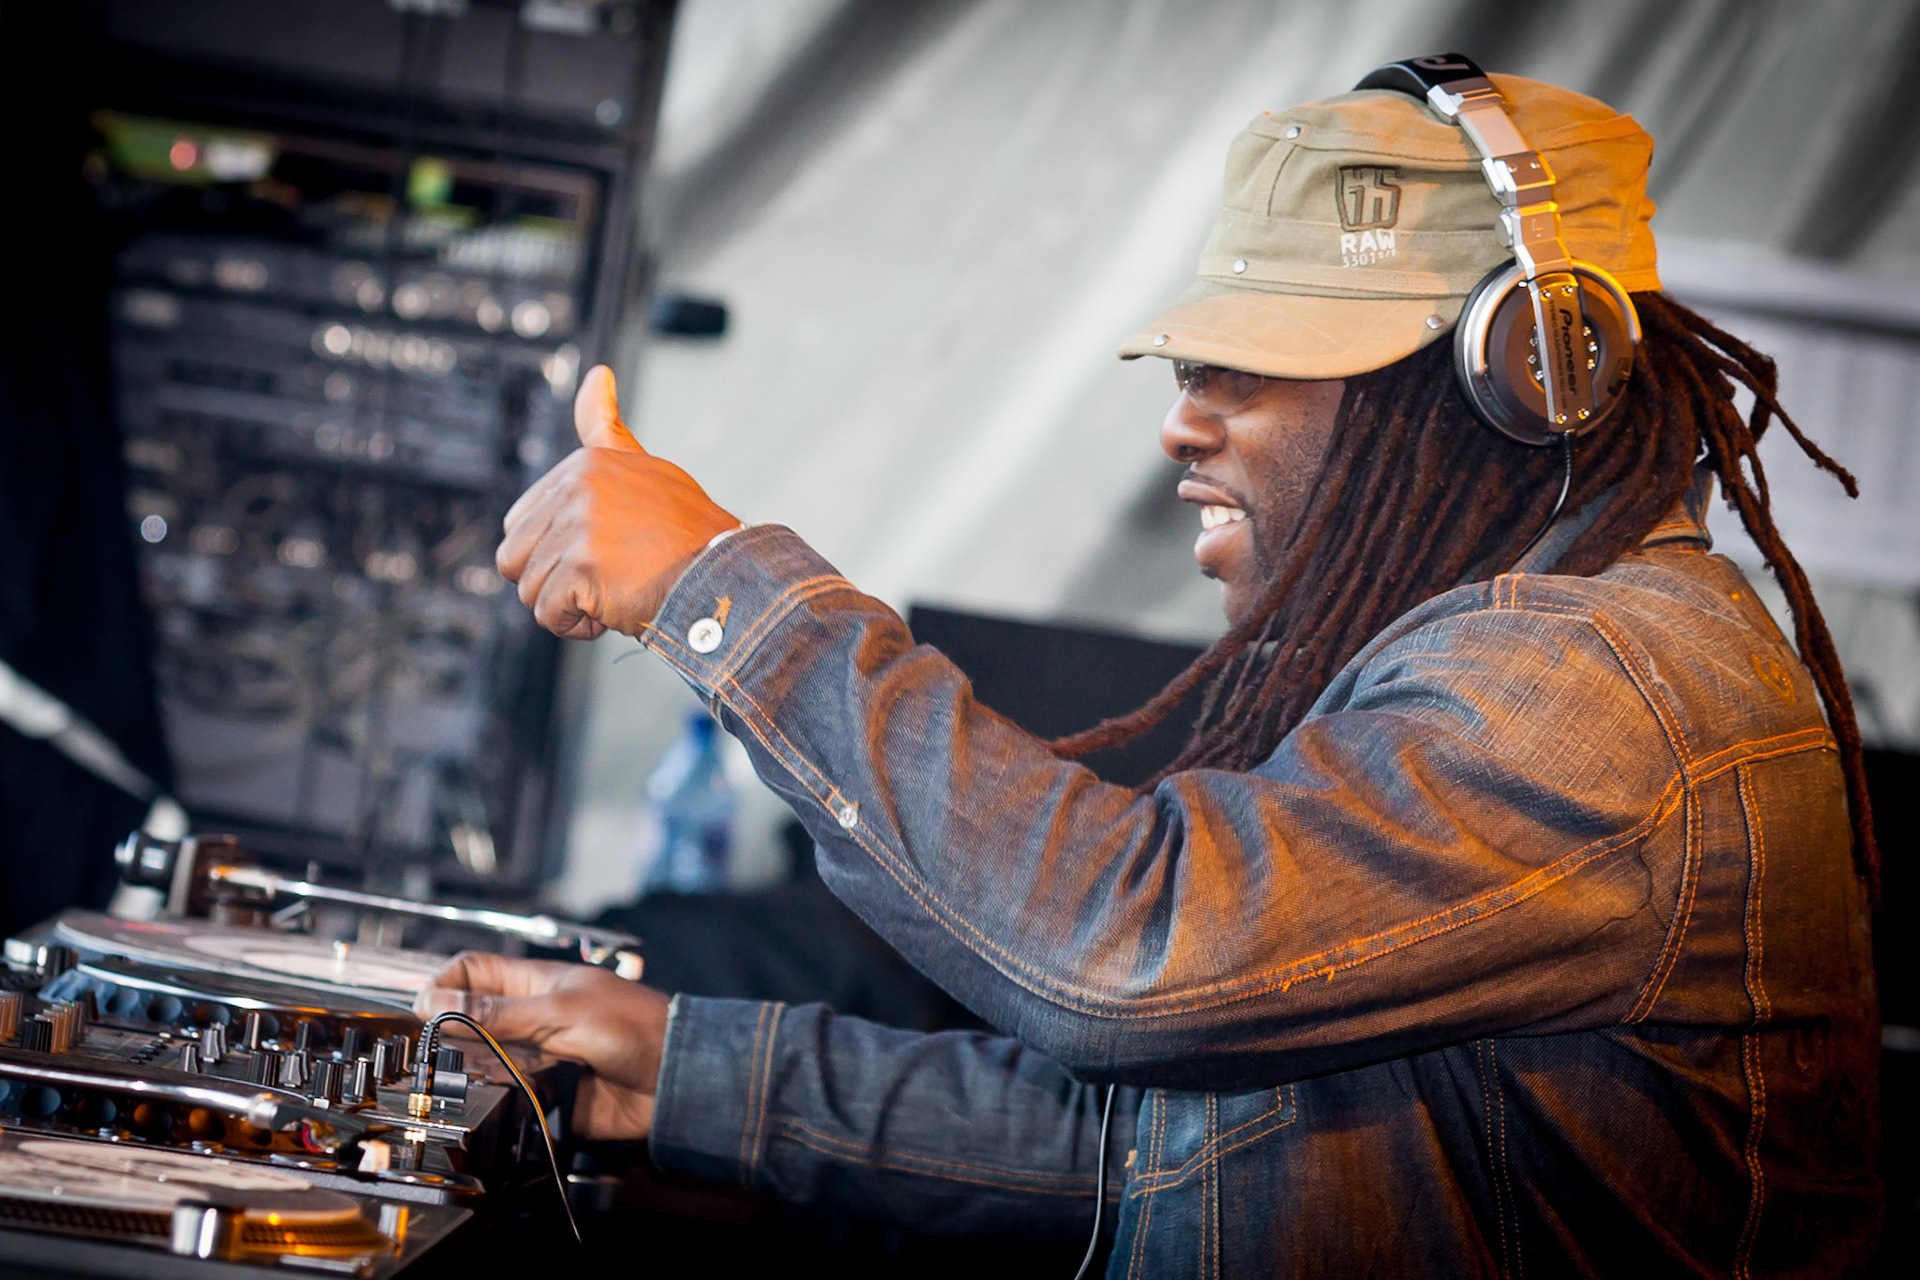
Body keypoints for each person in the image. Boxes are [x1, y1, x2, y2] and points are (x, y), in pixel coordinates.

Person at [420, 63, 1882, 1275]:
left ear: (1519, 377)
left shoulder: (1591, 694)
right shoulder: (1509, 656)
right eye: (1192, 368)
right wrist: (682, 1067)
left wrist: (717, 590)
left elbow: (1132, 960)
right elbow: (1176, 1149)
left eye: (1258, 365)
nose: (1184, 421)